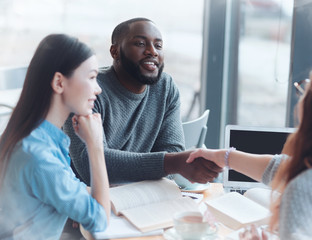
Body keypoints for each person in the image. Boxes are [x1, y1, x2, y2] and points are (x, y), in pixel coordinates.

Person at [187, 55, 312, 239]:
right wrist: (222, 156)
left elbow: (300, 180)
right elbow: (283, 168)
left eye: (306, 89)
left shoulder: (304, 190)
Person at [63, 17, 221, 185]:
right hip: (87, 199)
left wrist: (168, 163)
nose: (152, 51)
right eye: (140, 44)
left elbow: (173, 151)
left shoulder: (165, 87)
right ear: (115, 52)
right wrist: (168, 163)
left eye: (158, 45)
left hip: (140, 196)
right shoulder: (89, 91)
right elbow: (91, 166)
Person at [0, 34, 110, 239]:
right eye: (92, 77)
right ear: (59, 82)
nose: (98, 89)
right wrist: (95, 146)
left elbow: (63, 185)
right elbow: (100, 219)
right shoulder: (40, 157)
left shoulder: (31, 137)